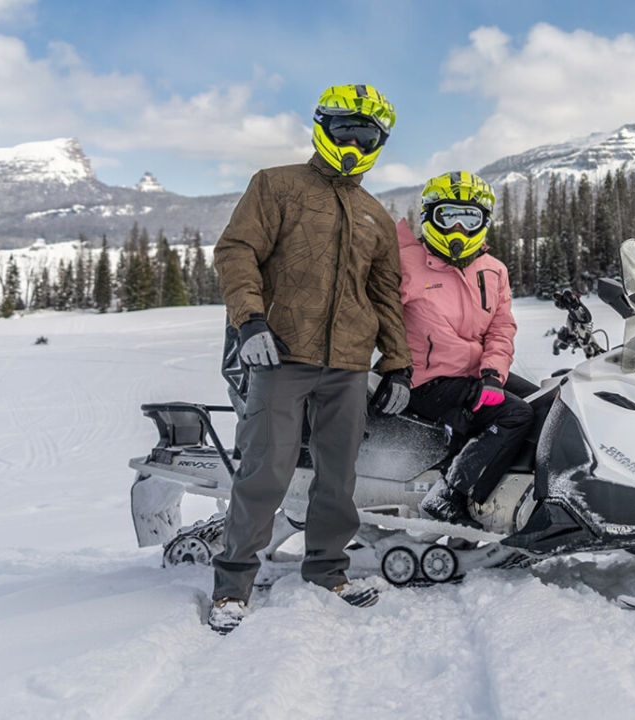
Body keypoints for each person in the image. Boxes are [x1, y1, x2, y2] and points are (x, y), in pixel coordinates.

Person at [208, 84, 413, 633]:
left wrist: (396, 361)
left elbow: (385, 294)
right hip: (281, 355)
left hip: (348, 366)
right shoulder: (277, 185)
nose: (352, 140)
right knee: (265, 472)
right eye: (344, 128)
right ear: (323, 126)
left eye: (364, 133)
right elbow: (237, 252)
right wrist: (249, 321)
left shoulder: (375, 214)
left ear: (378, 142)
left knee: (338, 477)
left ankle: (328, 569)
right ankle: (232, 584)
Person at [398, 171, 533, 527]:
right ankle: (451, 495)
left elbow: (501, 327)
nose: (458, 229)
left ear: (484, 223)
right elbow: (374, 317)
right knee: (515, 414)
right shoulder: (404, 264)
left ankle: (516, 500)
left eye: (469, 218)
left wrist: (492, 374)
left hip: (476, 372)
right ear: (430, 217)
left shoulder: (493, 270)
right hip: (425, 379)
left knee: (546, 404)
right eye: (449, 216)